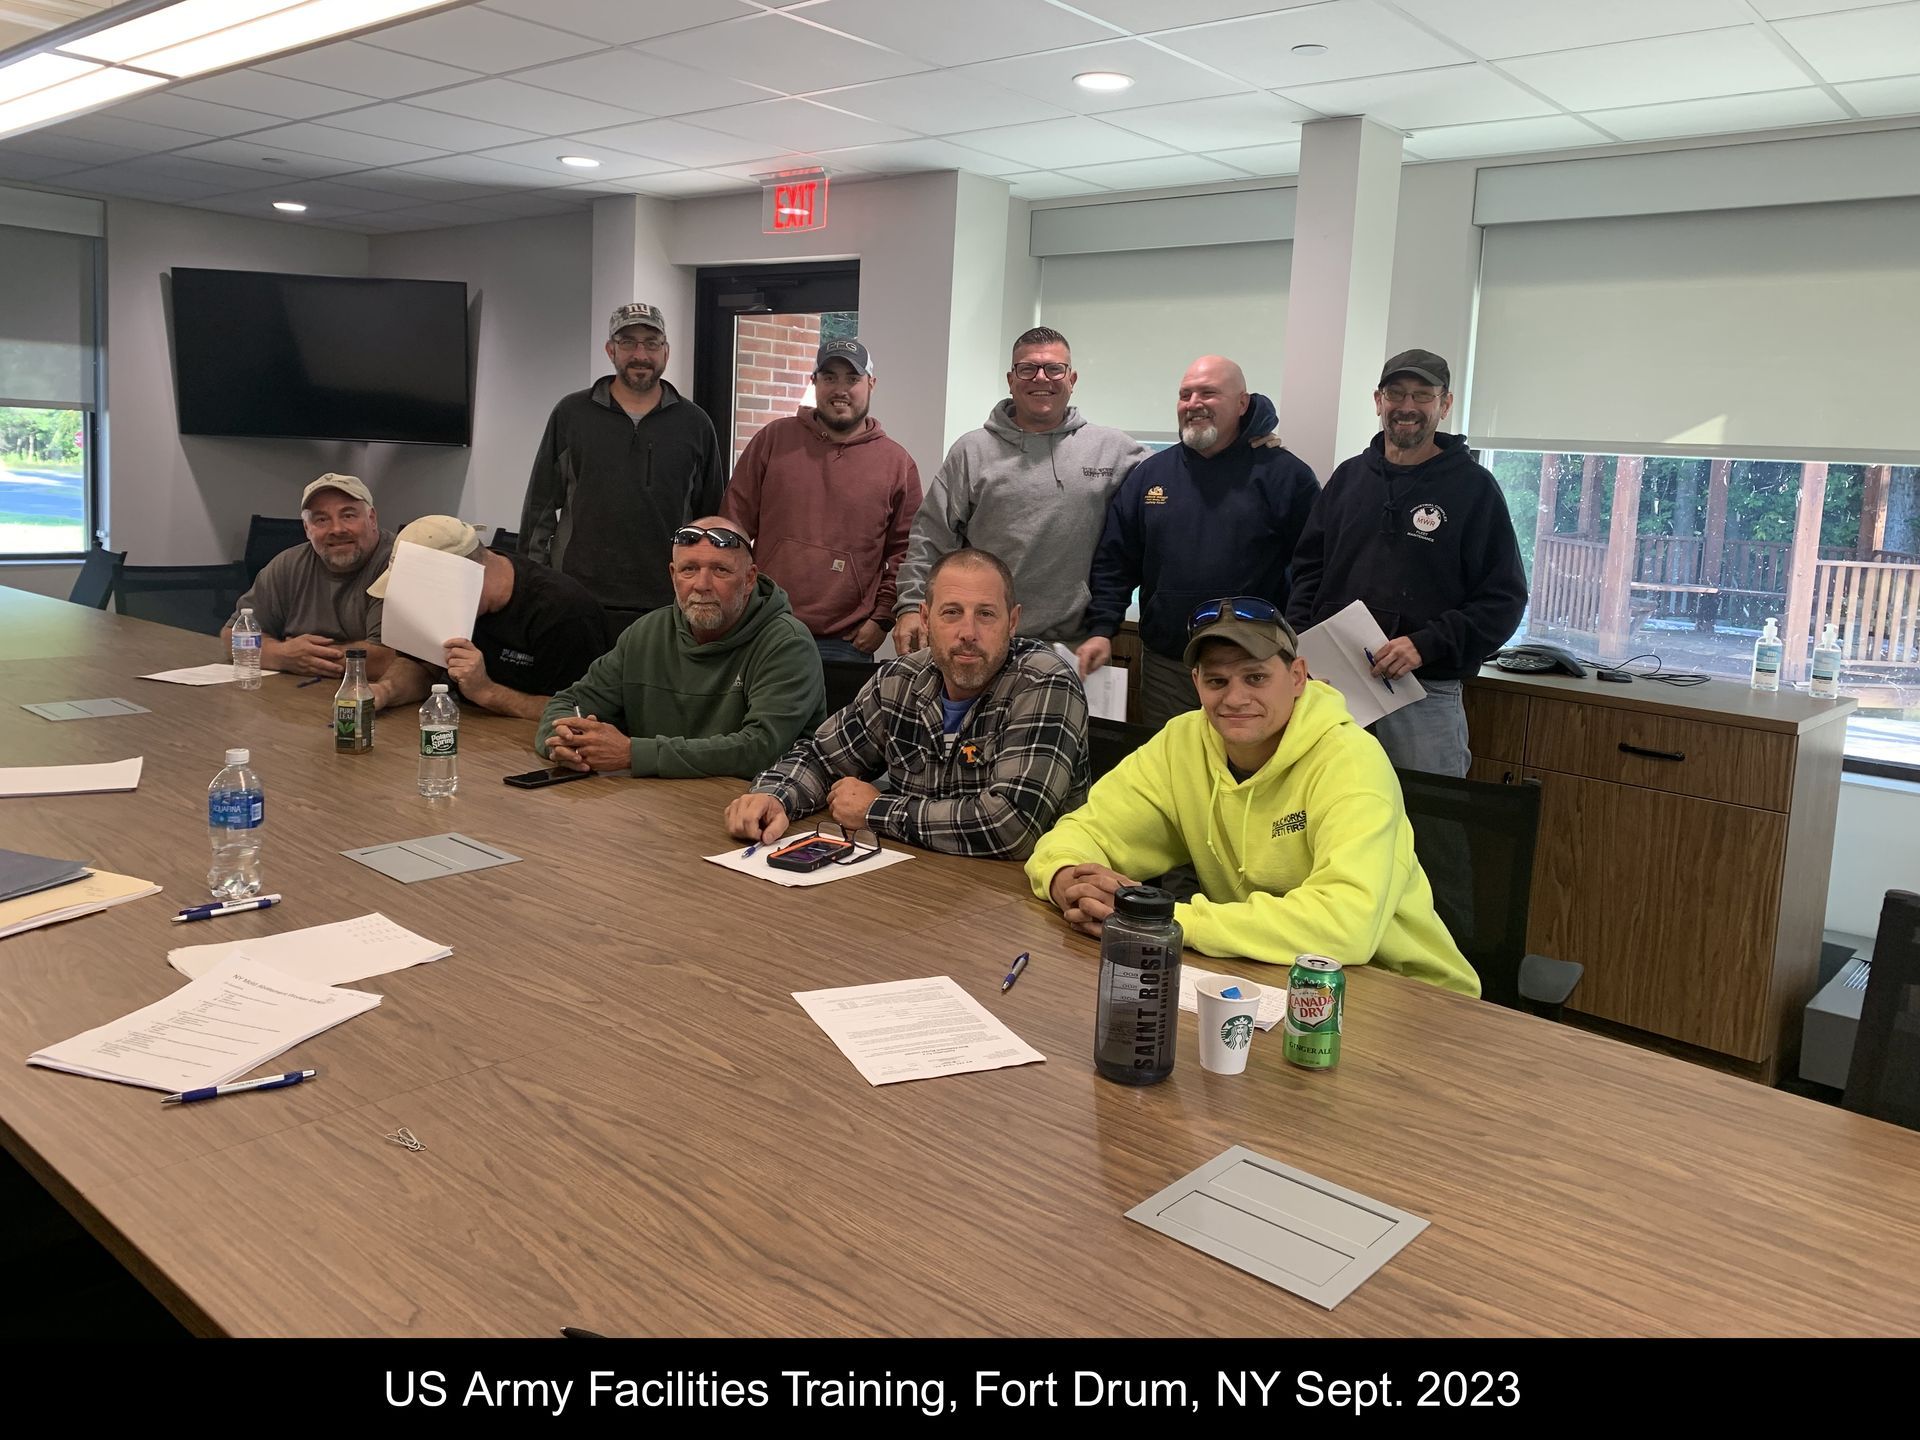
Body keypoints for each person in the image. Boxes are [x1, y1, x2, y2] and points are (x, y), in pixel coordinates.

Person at [1026, 598, 1479, 996]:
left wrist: (1172, 923)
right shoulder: (1183, 742)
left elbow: (1346, 926)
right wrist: (1069, 879)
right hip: (1267, 977)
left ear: (1298, 677)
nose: (1235, 698)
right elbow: (1084, 831)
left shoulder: (1350, 760)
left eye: (1256, 677)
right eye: (1217, 681)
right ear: (1196, 682)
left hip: (1405, 992)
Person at [727, 549, 1088, 860]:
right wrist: (774, 798)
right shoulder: (900, 679)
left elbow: (1011, 826)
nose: (968, 633)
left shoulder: (1043, 680)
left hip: (1015, 903)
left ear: (1012, 622)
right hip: (914, 884)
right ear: (926, 619)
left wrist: (875, 810)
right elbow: (822, 759)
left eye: (986, 614)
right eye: (951, 613)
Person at [1286, 349, 1526, 777]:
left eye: (1422, 395)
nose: (1407, 407)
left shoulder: (1474, 489)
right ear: (1378, 401)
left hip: (1423, 691)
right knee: (1327, 810)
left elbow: (1502, 600)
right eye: (1396, 394)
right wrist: (1305, 642)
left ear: (1444, 404)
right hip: (1334, 687)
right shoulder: (1347, 480)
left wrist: (1425, 645)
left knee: (1428, 822)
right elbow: (1307, 572)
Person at [1079, 355, 1319, 728]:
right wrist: (1101, 628)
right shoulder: (1151, 475)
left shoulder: (1286, 476)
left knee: (1249, 773)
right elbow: (1116, 559)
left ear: (1242, 403)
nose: (1194, 404)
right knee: (1174, 772)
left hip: (1253, 669)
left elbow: (1313, 568)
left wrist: (1300, 637)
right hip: (1168, 666)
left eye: (1208, 393)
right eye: (1185, 394)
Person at [891, 327, 1148, 654]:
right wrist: (911, 605)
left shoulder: (1112, 450)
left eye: (1054, 369)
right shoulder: (972, 451)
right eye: (1028, 369)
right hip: (980, 641)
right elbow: (930, 536)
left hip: (1073, 648)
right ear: (1011, 380)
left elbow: (1170, 481)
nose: (1041, 378)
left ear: (1072, 379)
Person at [535, 519, 824, 779]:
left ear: (749, 579)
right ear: (673, 575)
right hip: (655, 805)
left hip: (755, 811)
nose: (702, 585)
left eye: (720, 570)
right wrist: (564, 744)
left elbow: (760, 749)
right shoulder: (646, 633)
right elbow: (568, 702)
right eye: (689, 569)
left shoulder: (787, 643)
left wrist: (632, 754)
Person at [520, 302, 726, 634]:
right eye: (628, 342)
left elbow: (710, 516)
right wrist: (534, 584)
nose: (640, 354)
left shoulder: (695, 424)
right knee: (580, 687)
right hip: (579, 596)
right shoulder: (572, 414)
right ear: (610, 350)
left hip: (666, 600)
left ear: (666, 352)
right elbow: (539, 508)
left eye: (651, 343)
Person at [722, 337, 920, 666]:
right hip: (764, 626)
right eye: (829, 377)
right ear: (814, 382)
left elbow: (907, 551)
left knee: (838, 720)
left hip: (846, 640)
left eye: (852, 379)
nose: (840, 389)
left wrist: (882, 619)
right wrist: (735, 602)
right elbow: (733, 526)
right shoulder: (774, 440)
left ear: (871, 384)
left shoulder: (896, 463)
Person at [362, 516, 612, 719]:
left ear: (457, 578)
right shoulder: (448, 599)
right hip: (474, 735)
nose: (419, 602)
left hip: (538, 750)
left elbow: (582, 713)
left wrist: (486, 691)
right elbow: (421, 666)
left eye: (422, 591)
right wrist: (383, 691)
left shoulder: (564, 612)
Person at [222, 473, 396, 683]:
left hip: (371, 698)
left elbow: (385, 659)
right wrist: (283, 654)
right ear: (307, 529)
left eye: (348, 515)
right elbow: (233, 637)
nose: (337, 529)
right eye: (321, 519)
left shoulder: (395, 564)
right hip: (293, 692)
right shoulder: (288, 564)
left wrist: (303, 656)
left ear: (372, 519)